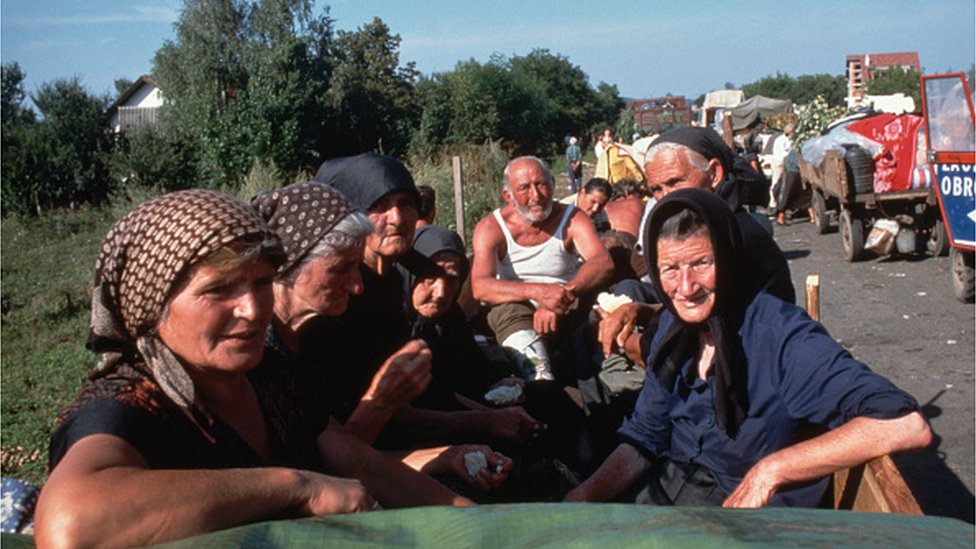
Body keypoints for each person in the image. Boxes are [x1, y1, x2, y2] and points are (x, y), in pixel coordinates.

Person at [35, 190, 469, 548]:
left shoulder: (270, 377)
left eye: (261, 282)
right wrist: (297, 487)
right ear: (153, 304)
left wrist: (475, 524)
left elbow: (364, 465)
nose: (252, 309)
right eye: (219, 289)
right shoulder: (129, 403)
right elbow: (70, 525)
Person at [565, 188, 932, 507]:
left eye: (701, 263)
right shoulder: (673, 333)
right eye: (670, 269)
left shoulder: (780, 336)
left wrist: (771, 470)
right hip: (678, 484)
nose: (686, 287)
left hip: (754, 516)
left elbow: (906, 425)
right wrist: (582, 498)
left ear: (727, 258)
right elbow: (646, 436)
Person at [253, 182, 512, 491]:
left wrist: (448, 456)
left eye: (357, 267)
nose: (357, 285)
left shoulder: (320, 336)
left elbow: (353, 460)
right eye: (340, 269)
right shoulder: (257, 356)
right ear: (290, 265)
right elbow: (318, 479)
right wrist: (381, 401)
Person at [310, 154, 545, 451]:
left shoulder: (394, 281)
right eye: (379, 206)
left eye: (405, 203)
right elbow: (384, 417)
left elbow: (429, 393)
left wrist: (492, 416)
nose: (397, 219)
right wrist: (484, 422)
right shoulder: (344, 297)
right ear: (352, 216)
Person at [471, 156, 614, 383]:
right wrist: (539, 292)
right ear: (508, 196)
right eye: (524, 188)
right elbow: (480, 287)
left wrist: (561, 295)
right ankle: (539, 378)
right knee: (506, 311)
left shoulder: (572, 218)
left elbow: (602, 262)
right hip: (518, 309)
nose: (536, 196)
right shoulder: (492, 227)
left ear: (553, 185)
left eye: (541, 184)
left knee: (599, 304)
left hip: (566, 303)